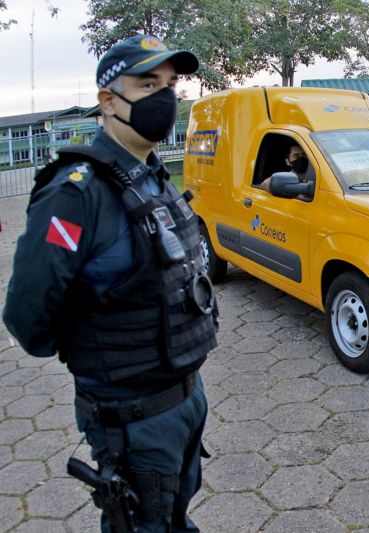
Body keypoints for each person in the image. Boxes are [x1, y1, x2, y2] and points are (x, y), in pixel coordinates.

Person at [3, 35, 217, 532]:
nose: (164, 98)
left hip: (184, 397)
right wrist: (90, 345)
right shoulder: (77, 191)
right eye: (147, 85)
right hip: (131, 413)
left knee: (175, 517)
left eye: (170, 84)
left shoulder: (151, 175)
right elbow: (28, 312)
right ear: (108, 100)